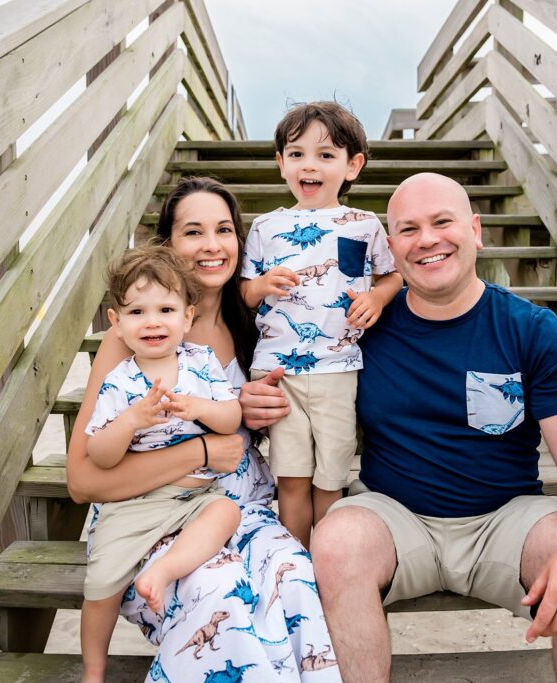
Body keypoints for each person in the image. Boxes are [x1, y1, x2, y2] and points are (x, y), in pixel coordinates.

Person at [241, 173, 557, 681]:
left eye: (442, 222)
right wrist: (254, 402)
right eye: (408, 229)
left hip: (503, 518)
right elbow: (287, 378)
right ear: (390, 246)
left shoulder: (530, 330)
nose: (427, 239)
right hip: (395, 518)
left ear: (476, 230)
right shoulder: (359, 330)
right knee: (334, 543)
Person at [66, 177, 342, 681]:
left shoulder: (255, 323)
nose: (212, 246)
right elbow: (83, 482)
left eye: (224, 231)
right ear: (167, 246)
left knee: (296, 576)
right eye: (193, 232)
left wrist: (258, 411)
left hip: (241, 508)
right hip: (148, 518)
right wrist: (200, 452)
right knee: (220, 593)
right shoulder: (134, 338)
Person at [240, 101, 402, 546]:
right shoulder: (267, 227)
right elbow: (244, 289)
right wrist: (260, 287)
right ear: (281, 164)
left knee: (330, 478)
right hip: (279, 369)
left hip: (339, 367)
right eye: (297, 154)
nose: (309, 165)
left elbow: (392, 274)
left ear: (352, 166)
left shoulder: (365, 224)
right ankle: (295, 565)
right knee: (291, 479)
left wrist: (377, 297)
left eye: (325, 155)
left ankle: (328, 562)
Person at [80, 246, 243, 682]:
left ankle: (164, 570)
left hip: (195, 495)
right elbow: (99, 454)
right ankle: (93, 672)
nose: (152, 321)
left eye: (166, 309)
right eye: (137, 311)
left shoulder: (201, 363)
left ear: (187, 318)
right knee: (101, 586)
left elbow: (232, 420)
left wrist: (199, 407)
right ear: (116, 323)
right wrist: (130, 421)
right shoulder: (119, 382)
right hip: (134, 502)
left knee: (226, 511)